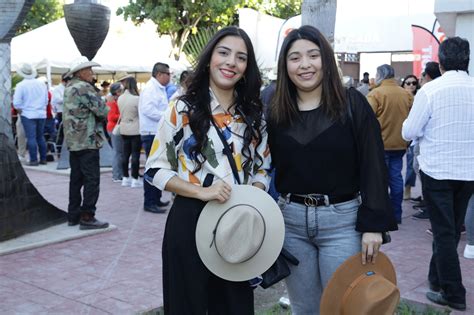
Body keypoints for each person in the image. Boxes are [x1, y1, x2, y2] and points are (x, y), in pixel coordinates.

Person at [267, 25, 398, 314]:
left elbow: (373, 165)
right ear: (284, 65)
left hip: (343, 224)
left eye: (313, 55)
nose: (305, 65)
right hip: (290, 223)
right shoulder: (275, 107)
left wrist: (374, 225)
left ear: (326, 60)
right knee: (304, 308)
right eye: (295, 57)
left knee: (344, 306)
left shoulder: (352, 104)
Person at [145, 26, 270, 314]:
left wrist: (255, 194)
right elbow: (155, 169)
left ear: (247, 67)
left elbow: (263, 168)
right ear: (210, 57)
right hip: (189, 220)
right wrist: (201, 191)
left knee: (235, 307)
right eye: (223, 53)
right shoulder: (182, 108)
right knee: (186, 307)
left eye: (241, 57)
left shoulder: (253, 114)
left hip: (238, 223)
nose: (231, 63)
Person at [402, 37, 474, 311]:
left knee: (445, 232)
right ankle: (436, 278)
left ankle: (453, 293)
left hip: (438, 171)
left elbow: (409, 132)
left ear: (440, 62)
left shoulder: (431, 90)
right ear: (466, 60)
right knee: (451, 229)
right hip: (469, 172)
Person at [63, 56, 110, 230]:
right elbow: (103, 111)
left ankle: (73, 215)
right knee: (92, 180)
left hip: (74, 141)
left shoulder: (69, 87)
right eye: (88, 70)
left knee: (76, 179)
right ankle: (88, 217)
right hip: (87, 141)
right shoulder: (84, 88)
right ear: (80, 72)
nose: (92, 73)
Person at [367, 64, 412, 224]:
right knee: (396, 178)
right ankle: (396, 214)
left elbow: (366, 118)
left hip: (380, 145)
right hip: (400, 144)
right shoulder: (406, 94)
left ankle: (383, 215)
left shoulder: (376, 94)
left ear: (380, 75)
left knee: (380, 181)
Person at [138, 62, 172, 213]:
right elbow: (148, 110)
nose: (169, 77)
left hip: (156, 132)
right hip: (151, 133)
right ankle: (150, 201)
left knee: (158, 167)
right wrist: (166, 117)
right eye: (168, 74)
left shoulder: (159, 88)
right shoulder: (151, 89)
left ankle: (156, 198)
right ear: (159, 74)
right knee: (152, 167)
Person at [13, 63, 49, 166]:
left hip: (28, 114)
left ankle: (33, 160)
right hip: (41, 114)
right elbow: (46, 101)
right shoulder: (42, 84)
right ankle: (43, 159)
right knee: (40, 137)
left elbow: (16, 103)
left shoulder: (21, 85)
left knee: (31, 138)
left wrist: (22, 112)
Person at [118, 77, 142, 188]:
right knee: (135, 156)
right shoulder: (137, 99)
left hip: (123, 128)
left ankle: (125, 178)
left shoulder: (120, 98)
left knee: (125, 155)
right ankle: (135, 178)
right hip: (135, 129)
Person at [400, 74, 419, 201]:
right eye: (408, 83)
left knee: (412, 164)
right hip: (400, 135)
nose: (411, 85)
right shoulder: (400, 97)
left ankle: (407, 188)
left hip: (414, 136)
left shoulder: (420, 97)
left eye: (414, 83)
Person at [106, 82, 124, 183]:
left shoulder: (114, 101)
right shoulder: (112, 102)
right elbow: (111, 117)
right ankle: (117, 175)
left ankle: (118, 174)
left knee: (118, 152)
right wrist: (122, 114)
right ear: (117, 92)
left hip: (114, 128)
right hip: (114, 128)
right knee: (118, 152)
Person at [51, 73, 70, 155]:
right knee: (61, 131)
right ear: (64, 81)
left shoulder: (69, 88)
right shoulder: (57, 89)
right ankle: (59, 149)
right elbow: (56, 100)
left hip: (69, 112)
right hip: (61, 112)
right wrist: (68, 99)